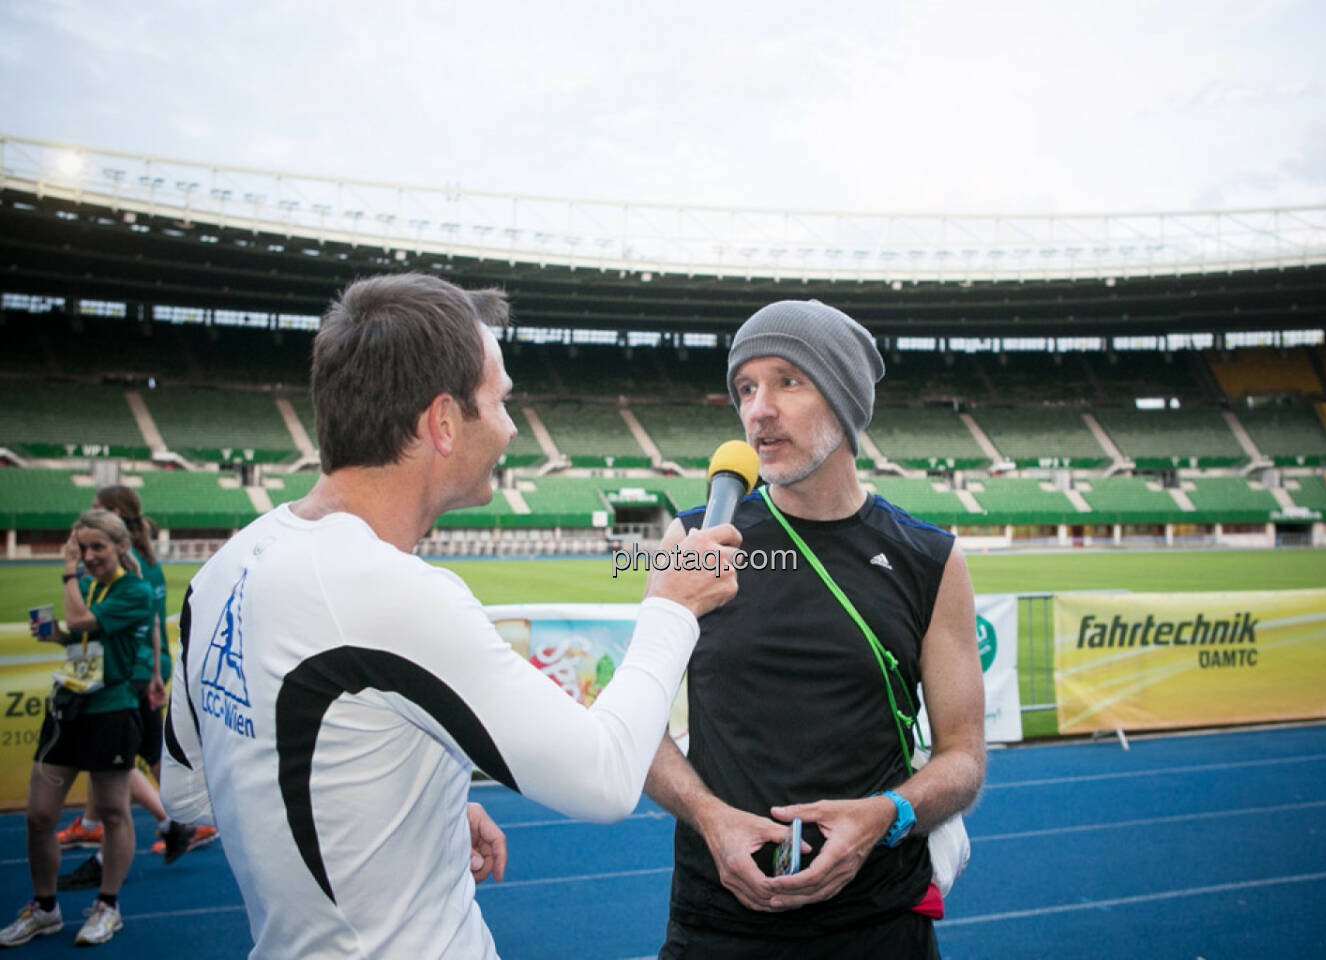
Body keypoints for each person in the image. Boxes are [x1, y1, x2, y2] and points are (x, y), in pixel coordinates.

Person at [160, 273, 741, 959]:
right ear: (442, 422)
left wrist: (414, 811)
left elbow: (188, 793)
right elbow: (607, 776)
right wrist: (669, 606)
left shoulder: (227, 565)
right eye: (499, 401)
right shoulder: (391, 592)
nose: (512, 425)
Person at [644, 300, 987, 959]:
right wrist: (708, 817)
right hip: (717, 924)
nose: (757, 410)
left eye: (787, 381)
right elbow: (640, 730)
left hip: (879, 925)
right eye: (745, 388)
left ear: (845, 401)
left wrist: (887, 815)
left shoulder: (930, 560)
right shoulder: (693, 540)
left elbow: (963, 759)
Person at [0, 510, 154, 947]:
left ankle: (108, 906)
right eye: (82, 549)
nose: (88, 557)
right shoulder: (89, 586)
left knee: (112, 812)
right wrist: (55, 636)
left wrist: (68, 573)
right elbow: (81, 636)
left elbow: (85, 622)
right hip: (68, 708)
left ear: (120, 548)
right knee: (40, 815)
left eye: (97, 548)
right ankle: (45, 909)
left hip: (111, 710)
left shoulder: (136, 590)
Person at [55, 486, 215, 891]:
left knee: (128, 758)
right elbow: (157, 620)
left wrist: (153, 670)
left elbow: (148, 620)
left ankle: (177, 823)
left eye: (96, 510)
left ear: (113, 513)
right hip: (140, 670)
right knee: (125, 758)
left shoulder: (131, 567)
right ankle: (123, 828)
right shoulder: (135, 563)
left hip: (133, 675)